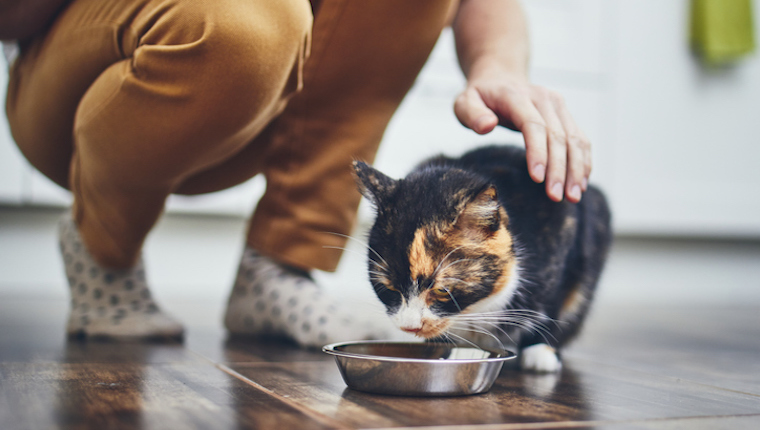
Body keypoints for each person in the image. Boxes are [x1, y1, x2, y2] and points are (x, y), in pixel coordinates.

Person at [1, 0, 592, 346]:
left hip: (255, 108)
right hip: (82, 87)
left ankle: (278, 263)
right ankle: (104, 247)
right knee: (252, 22)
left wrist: (497, 68)